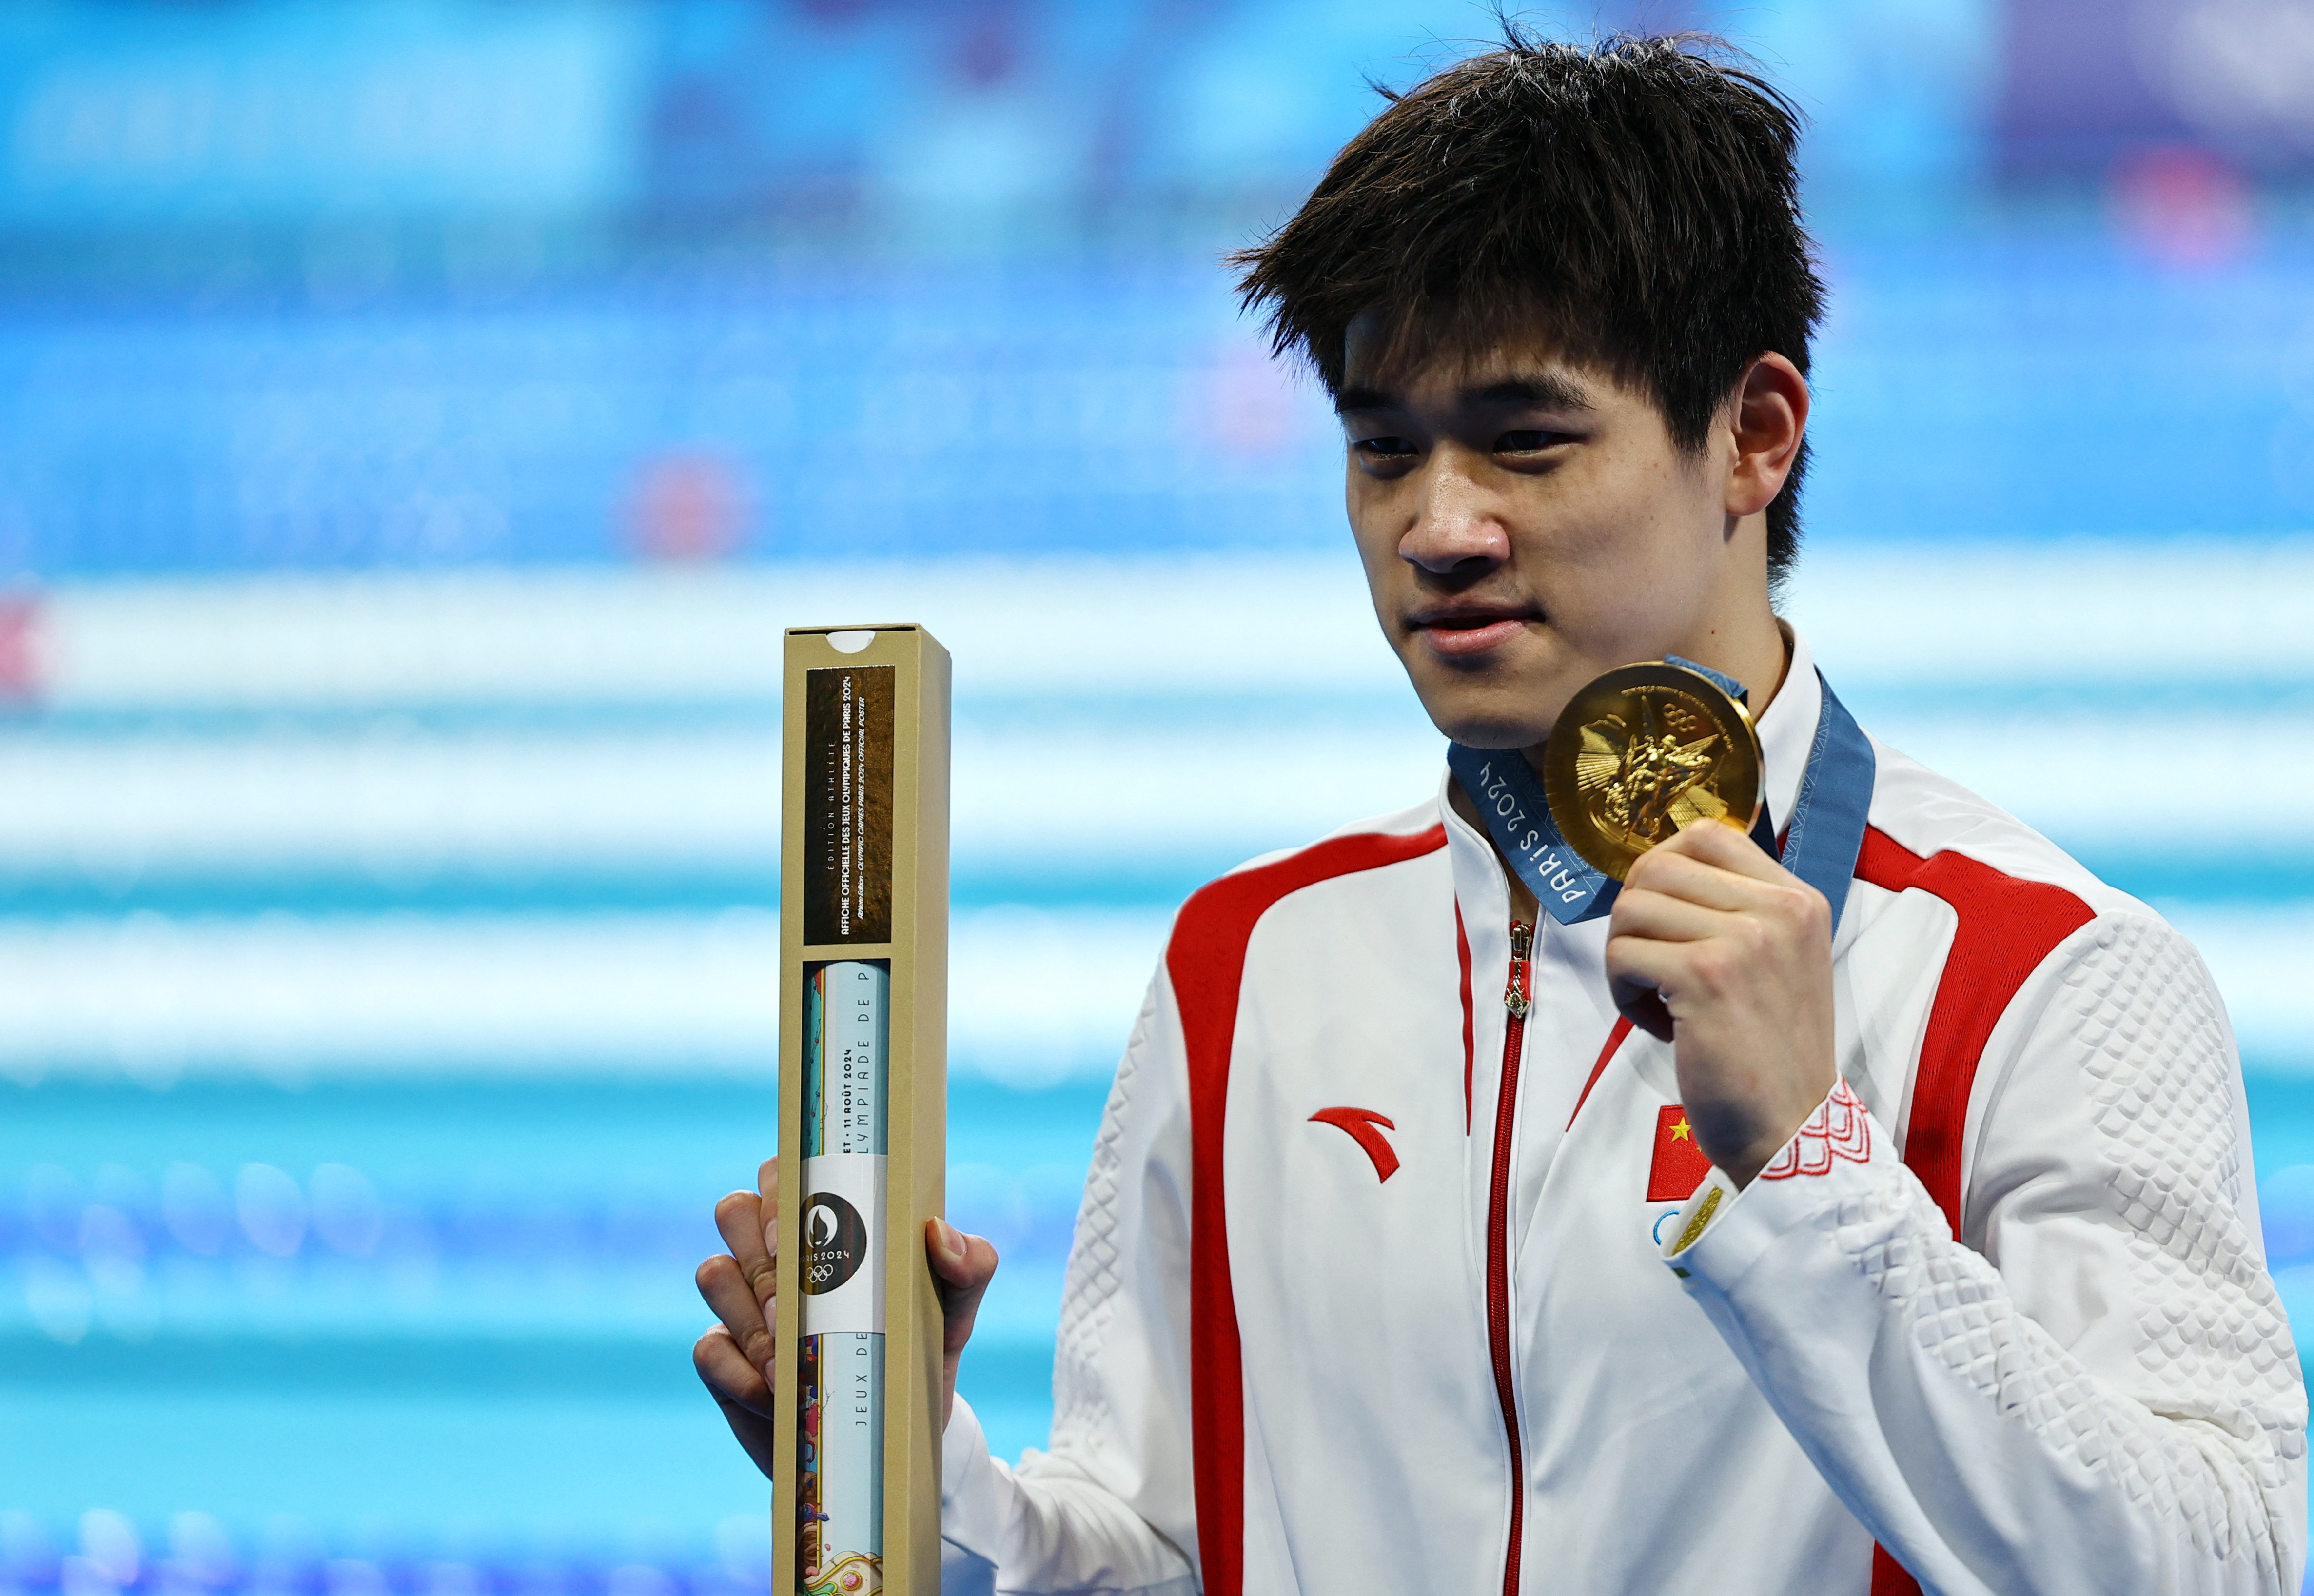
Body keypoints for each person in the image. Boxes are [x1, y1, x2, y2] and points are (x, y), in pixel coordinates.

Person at [693, 31, 2308, 1596]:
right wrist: (910, 1477)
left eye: (1525, 443)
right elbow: (1165, 1552)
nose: (1437, 527)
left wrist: (1814, 1173)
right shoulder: (1248, 963)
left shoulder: (2042, 967)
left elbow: (2218, 1566)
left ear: (1752, 435)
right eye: (1384, 452)